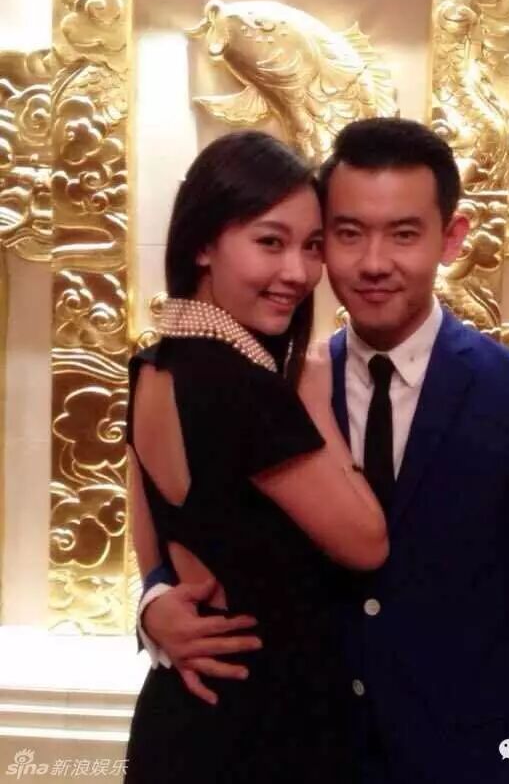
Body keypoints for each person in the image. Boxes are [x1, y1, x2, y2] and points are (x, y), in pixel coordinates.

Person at [138, 119, 509, 784]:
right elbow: (195, 525)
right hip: (308, 753)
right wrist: (154, 606)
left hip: (468, 761)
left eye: (404, 234)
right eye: (347, 234)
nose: (374, 262)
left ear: (451, 238)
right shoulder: (279, 381)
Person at [124, 130, 388, 784]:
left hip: (186, 715)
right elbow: (366, 543)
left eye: (312, 246)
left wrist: (155, 603)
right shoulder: (247, 390)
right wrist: (313, 403)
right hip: (261, 726)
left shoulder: (152, 365)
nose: (297, 272)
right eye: (270, 242)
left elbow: (153, 547)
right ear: (203, 244)